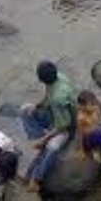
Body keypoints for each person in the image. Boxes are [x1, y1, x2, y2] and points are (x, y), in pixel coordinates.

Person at [21, 61, 77, 191]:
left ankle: (37, 179)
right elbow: (48, 96)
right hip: (54, 114)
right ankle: (39, 136)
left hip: (67, 126)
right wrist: (38, 106)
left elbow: (63, 125)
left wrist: (45, 139)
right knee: (26, 109)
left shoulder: (58, 98)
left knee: (52, 147)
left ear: (42, 79)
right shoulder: (59, 77)